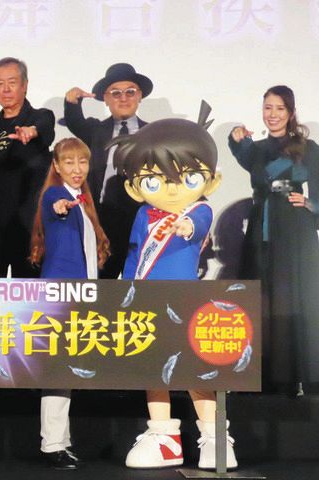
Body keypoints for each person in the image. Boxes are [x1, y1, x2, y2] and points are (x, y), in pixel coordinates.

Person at [111, 108, 237, 470]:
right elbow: (135, 253)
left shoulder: (198, 210)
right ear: (134, 187)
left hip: (184, 302)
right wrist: (125, 288)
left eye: (186, 176)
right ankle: (163, 435)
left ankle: (214, 436)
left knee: (193, 370)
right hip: (146, 300)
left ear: (210, 180)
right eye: (155, 179)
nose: (170, 187)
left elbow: (197, 225)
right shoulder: (143, 216)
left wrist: (185, 228)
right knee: (153, 367)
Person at [229, 85, 319, 395]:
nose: (273, 114)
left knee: (293, 298)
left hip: (294, 231)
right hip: (261, 227)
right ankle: (262, 376)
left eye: (280, 108)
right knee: (260, 299)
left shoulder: (308, 148)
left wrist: (310, 204)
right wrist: (236, 137)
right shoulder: (256, 149)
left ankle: (299, 377)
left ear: (291, 113)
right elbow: (243, 153)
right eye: (268, 107)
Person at [30, 137, 109, 470]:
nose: (77, 169)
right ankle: (52, 445)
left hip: (79, 295)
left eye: (83, 162)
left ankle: (60, 441)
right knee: (58, 370)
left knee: (65, 372)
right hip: (60, 295)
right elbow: (54, 206)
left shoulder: (83, 200)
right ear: (57, 166)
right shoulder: (56, 194)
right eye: (69, 162)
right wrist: (60, 207)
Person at [64, 63, 152, 279]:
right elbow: (75, 122)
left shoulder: (154, 133)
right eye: (116, 93)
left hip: (142, 218)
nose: (123, 98)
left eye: (130, 92)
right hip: (104, 218)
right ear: (105, 98)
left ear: (140, 96)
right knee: (102, 283)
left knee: (140, 285)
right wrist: (72, 102)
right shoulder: (96, 130)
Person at [0, 57, 55, 278]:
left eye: (12, 82)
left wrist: (32, 131)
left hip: (30, 225)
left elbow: (44, 129)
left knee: (31, 291)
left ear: (25, 85)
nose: (6, 89)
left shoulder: (40, 116)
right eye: (0, 84)